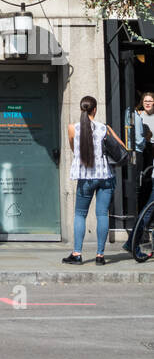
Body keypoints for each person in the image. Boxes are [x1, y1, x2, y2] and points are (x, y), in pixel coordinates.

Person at [63, 95, 127, 265]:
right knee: (102, 214)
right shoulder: (104, 128)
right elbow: (121, 147)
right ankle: (100, 255)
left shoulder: (72, 128)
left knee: (80, 214)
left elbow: (73, 149)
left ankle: (77, 254)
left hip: (86, 178)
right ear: (95, 109)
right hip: (105, 176)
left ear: (81, 109)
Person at [134, 91, 154, 179]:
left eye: (150, 101)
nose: (147, 103)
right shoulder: (138, 115)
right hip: (144, 150)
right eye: (145, 101)